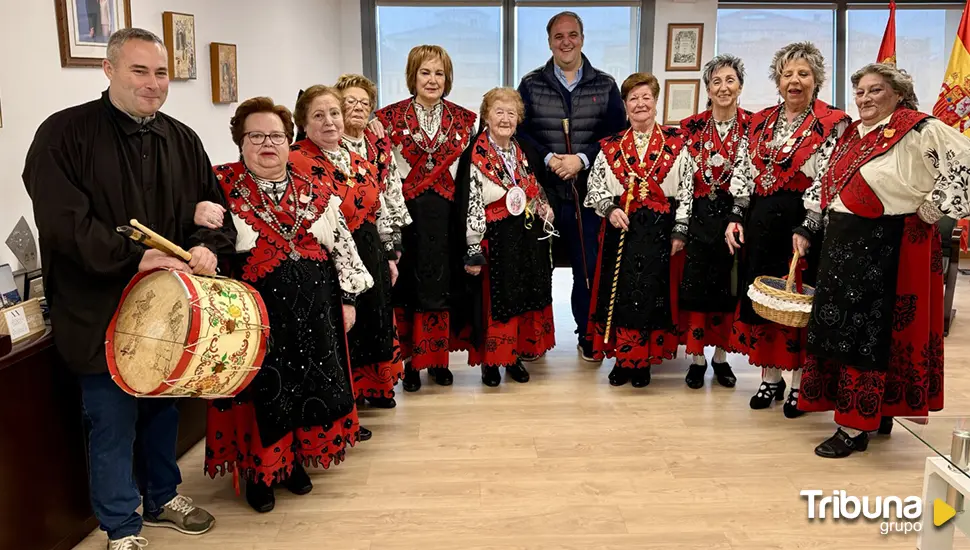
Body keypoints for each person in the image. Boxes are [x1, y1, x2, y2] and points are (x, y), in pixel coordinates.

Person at [21, 28, 224, 550]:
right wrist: (134, 258)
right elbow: (65, 226)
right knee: (111, 419)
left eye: (161, 73)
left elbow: (211, 209)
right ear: (108, 70)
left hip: (169, 307)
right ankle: (121, 525)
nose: (153, 84)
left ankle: (161, 496)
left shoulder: (181, 138)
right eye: (140, 71)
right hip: (99, 308)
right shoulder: (62, 135)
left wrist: (204, 242)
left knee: (163, 408)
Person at [201, 97, 373, 513]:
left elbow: (343, 249)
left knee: (306, 388)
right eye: (255, 136)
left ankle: (293, 463)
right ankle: (262, 473)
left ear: (288, 140)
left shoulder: (317, 187)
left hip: (315, 316)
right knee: (264, 395)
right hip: (254, 320)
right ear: (240, 142)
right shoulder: (219, 187)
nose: (267, 144)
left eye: (276, 136)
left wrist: (348, 299)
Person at [798, 64, 970, 457]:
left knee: (868, 338)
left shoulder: (918, 128)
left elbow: (967, 161)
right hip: (845, 244)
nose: (864, 98)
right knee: (848, 333)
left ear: (898, 93)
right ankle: (875, 413)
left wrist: (935, 209)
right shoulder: (856, 134)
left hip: (885, 244)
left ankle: (853, 428)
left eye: (875, 90)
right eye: (859, 91)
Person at [725, 42, 850, 416]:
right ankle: (770, 379)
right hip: (761, 224)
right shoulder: (759, 121)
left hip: (802, 228)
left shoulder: (831, 123)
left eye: (803, 74)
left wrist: (809, 225)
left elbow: (829, 177)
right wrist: (736, 214)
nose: (794, 81)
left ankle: (799, 385)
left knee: (798, 303)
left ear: (817, 80)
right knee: (765, 301)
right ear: (777, 81)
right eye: (787, 74)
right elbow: (744, 171)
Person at [516, 10, 627, 362]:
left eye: (573, 35)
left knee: (588, 269)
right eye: (559, 36)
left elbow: (615, 136)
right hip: (543, 196)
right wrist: (550, 159)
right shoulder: (531, 84)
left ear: (582, 38)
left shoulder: (605, 84)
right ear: (549, 42)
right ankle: (535, 339)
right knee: (538, 270)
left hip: (589, 196)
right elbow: (520, 133)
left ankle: (586, 334)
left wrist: (582, 158)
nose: (566, 41)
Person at [289, 84, 397, 440]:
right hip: (329, 263)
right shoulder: (297, 160)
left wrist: (388, 254)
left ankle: (363, 393)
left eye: (334, 113)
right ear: (303, 123)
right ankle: (341, 411)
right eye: (318, 116)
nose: (330, 122)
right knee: (338, 338)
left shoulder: (352, 154)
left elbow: (377, 202)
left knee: (366, 328)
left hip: (367, 251)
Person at [373, 45, 477, 392]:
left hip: (447, 216)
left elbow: (467, 177)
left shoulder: (464, 121)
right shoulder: (386, 119)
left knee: (440, 285)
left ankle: (436, 361)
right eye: (425, 72)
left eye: (439, 73)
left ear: (447, 79)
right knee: (407, 285)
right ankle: (409, 365)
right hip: (406, 214)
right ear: (412, 76)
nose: (432, 80)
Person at [584, 72, 691, 388]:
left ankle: (643, 361)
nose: (640, 104)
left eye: (646, 97)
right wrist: (610, 209)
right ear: (625, 105)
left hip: (660, 235)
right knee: (620, 297)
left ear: (656, 102)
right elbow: (595, 188)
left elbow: (686, 190)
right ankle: (623, 359)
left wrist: (680, 231)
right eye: (633, 98)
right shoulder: (610, 147)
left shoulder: (676, 144)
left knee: (651, 298)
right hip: (622, 233)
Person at [453, 87, 557, 386]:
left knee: (520, 298)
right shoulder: (475, 154)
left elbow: (531, 187)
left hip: (523, 237)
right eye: (499, 111)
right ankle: (490, 362)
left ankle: (513, 357)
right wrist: (473, 248)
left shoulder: (521, 151)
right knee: (494, 304)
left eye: (511, 113)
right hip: (493, 239)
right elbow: (471, 201)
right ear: (486, 116)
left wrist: (544, 209)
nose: (505, 118)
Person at [333, 74, 410, 409]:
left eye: (365, 103)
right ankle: (351, 392)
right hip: (340, 241)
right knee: (351, 318)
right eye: (350, 102)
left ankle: (377, 387)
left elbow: (392, 193)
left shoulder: (379, 143)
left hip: (373, 238)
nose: (358, 108)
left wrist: (392, 248)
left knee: (377, 312)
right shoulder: (330, 144)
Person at [678, 54, 751, 390]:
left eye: (730, 80)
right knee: (696, 288)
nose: (724, 87)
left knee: (729, 288)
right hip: (698, 217)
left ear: (739, 86)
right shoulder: (689, 127)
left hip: (737, 218)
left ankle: (721, 357)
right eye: (717, 81)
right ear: (707, 88)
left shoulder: (753, 126)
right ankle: (696, 358)